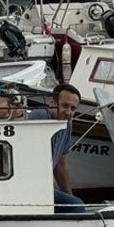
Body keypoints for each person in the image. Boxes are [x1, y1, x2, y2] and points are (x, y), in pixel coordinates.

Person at [27, 83, 85, 213]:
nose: (68, 112)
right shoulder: (40, 117)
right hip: (29, 188)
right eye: (65, 105)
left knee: (74, 204)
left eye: (73, 108)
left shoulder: (67, 124)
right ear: (51, 102)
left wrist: (70, 196)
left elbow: (60, 165)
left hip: (43, 187)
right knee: (77, 207)